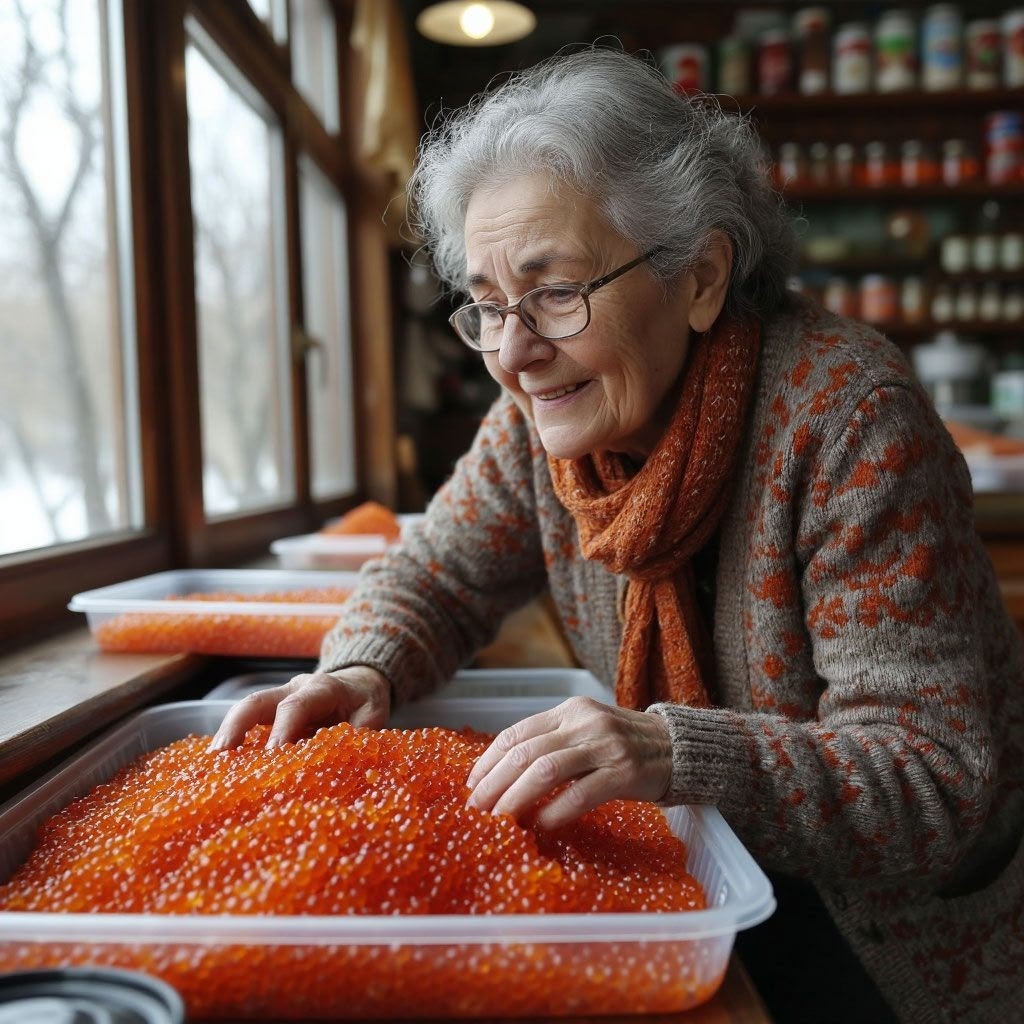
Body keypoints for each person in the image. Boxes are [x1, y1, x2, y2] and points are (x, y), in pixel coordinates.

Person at [212, 47, 1024, 1023]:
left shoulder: (848, 423)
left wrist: (670, 751)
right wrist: (360, 669)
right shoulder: (538, 429)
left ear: (700, 276)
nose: (512, 352)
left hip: (896, 946)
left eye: (555, 293)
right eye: (487, 304)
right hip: (704, 875)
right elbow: (436, 572)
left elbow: (937, 780)